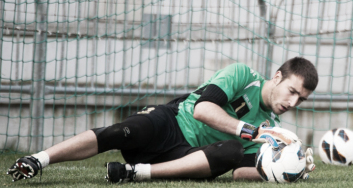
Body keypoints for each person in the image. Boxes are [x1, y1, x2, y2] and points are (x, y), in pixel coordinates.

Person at [7, 57, 318, 183]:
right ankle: (38, 159)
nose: (292, 103)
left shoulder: (272, 130)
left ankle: (135, 174)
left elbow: (240, 173)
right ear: (277, 77)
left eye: (300, 99)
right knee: (126, 130)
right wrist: (252, 131)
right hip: (171, 123)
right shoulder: (242, 75)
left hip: (187, 159)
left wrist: (290, 169)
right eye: (291, 91)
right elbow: (202, 110)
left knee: (232, 152)